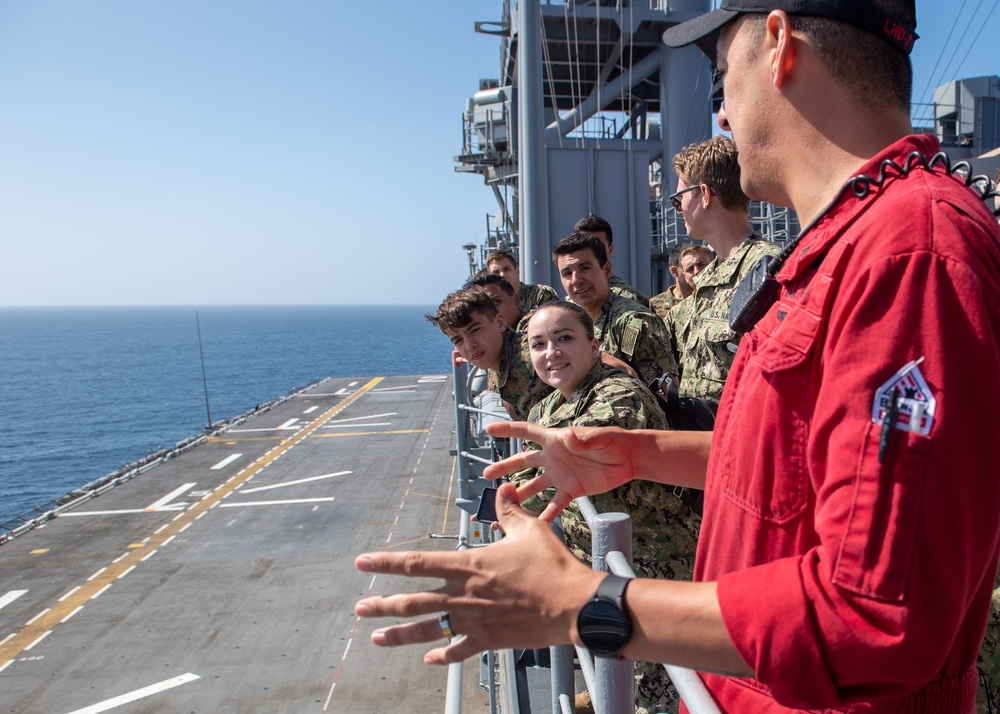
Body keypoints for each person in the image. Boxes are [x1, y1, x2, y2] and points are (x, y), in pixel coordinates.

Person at [356, 2, 1000, 712]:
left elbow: (876, 615)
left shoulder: (912, 253)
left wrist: (584, 602)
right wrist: (636, 452)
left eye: (723, 76)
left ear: (780, 44)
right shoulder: (857, 244)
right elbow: (803, 462)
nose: (721, 115)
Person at [516, 300, 698, 714]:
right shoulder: (546, 408)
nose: (552, 352)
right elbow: (525, 478)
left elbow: (563, 463)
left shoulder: (620, 395)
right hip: (606, 568)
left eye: (565, 338)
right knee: (619, 672)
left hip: (657, 565)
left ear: (595, 347)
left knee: (663, 689)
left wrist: (515, 495)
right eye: (539, 344)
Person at [668, 135, 780, 404]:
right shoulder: (710, 277)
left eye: (678, 199)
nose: (679, 210)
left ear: (705, 195)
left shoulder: (767, 269)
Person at [554, 232, 677, 386]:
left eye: (585, 268)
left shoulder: (636, 322)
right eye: (567, 273)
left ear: (606, 270)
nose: (576, 280)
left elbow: (666, 393)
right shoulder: (564, 322)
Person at [426, 286, 551, 420]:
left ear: (500, 323)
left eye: (475, 330)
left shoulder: (533, 359)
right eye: (458, 340)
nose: (469, 346)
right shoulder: (494, 368)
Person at [574, 214, 651, 307]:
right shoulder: (571, 297)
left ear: (610, 250)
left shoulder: (629, 298)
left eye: (597, 246)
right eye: (584, 246)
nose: (590, 252)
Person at [649, 243, 714, 318]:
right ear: (674, 271)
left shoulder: (714, 299)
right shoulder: (656, 305)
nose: (697, 272)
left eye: (701, 265)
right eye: (690, 268)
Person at [485, 249, 559, 313]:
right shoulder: (489, 305)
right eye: (496, 272)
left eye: (507, 269)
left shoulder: (541, 294)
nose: (502, 275)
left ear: (517, 271)